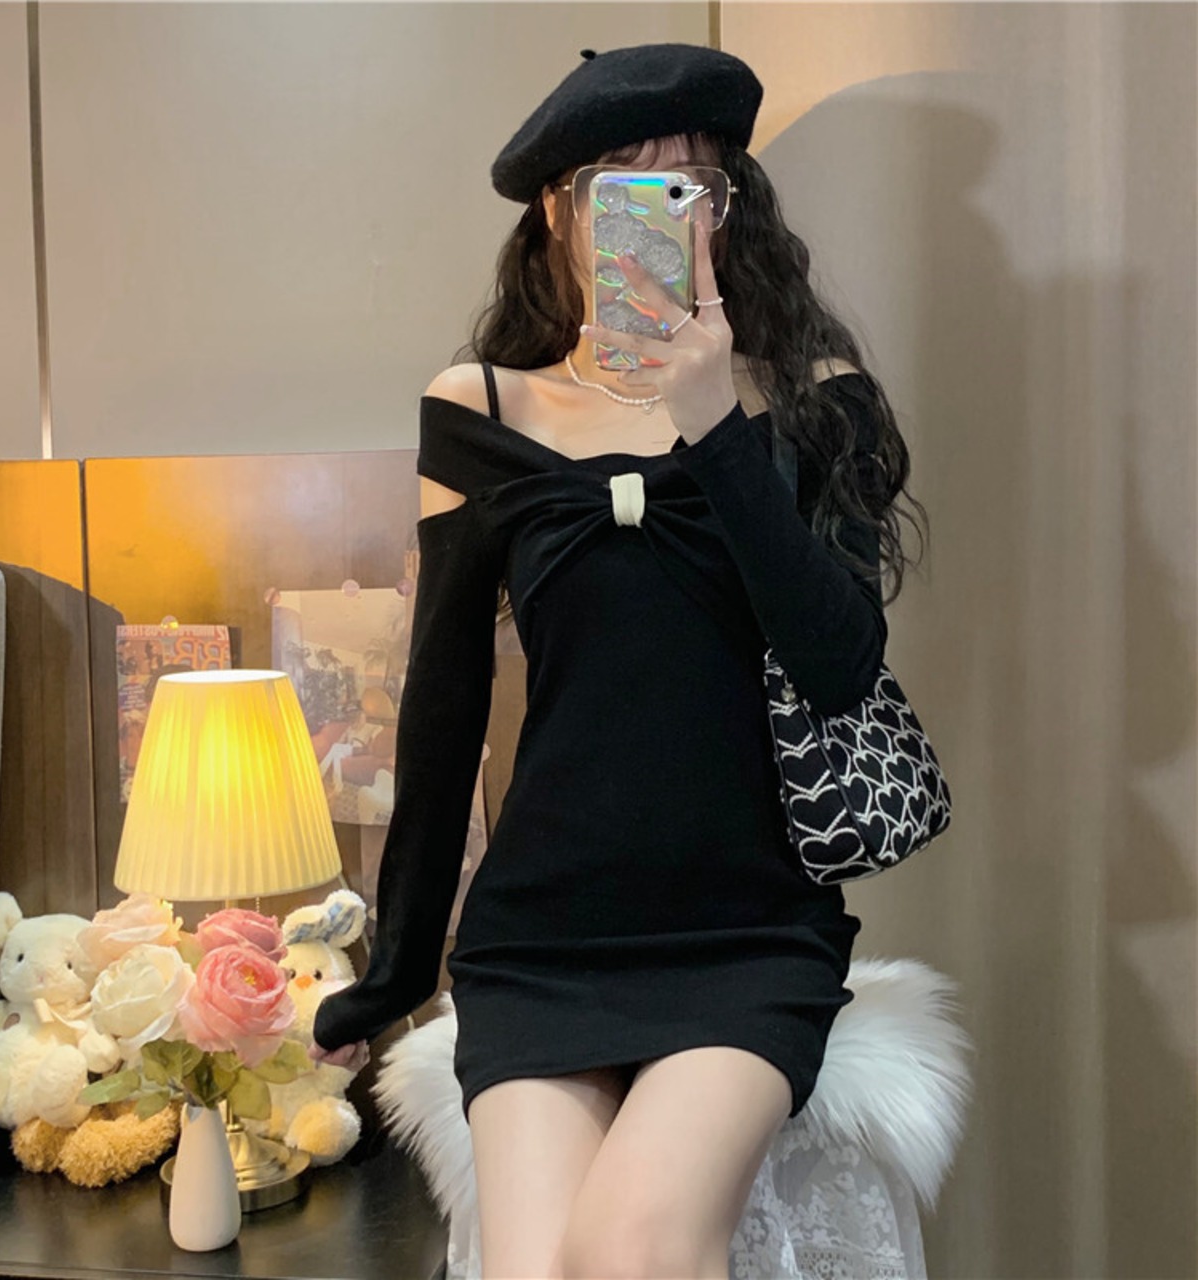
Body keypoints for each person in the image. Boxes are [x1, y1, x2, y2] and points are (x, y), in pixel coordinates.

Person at [310, 41, 928, 1279]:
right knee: (536, 1263)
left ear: (727, 209)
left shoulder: (814, 395)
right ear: (557, 213)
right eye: (620, 189)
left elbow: (839, 661)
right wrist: (392, 971)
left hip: (746, 931)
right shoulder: (480, 409)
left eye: (687, 188)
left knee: (634, 1245)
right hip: (543, 935)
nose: (658, 217)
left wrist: (713, 425)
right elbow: (443, 706)